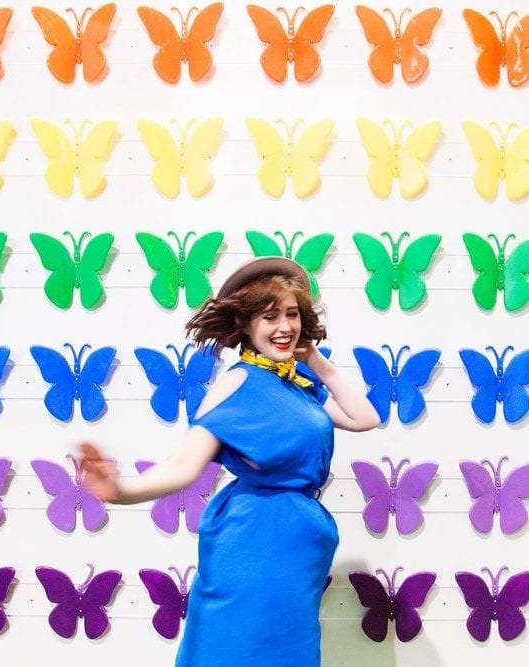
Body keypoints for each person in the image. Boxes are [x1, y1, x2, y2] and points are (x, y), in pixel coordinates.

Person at [81, 257, 380, 666]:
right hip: (254, 538)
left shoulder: (295, 384)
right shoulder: (237, 381)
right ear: (246, 324)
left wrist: (317, 362)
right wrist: (120, 490)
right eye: (270, 316)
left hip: (299, 542)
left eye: (292, 314)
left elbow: (365, 418)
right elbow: (184, 465)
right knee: (238, 646)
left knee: (287, 650)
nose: (285, 326)